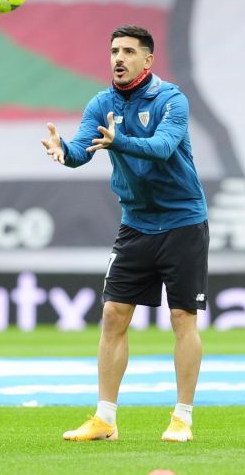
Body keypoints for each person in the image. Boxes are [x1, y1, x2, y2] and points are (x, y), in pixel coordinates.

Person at [41, 25, 209, 443]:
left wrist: (120, 141)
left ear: (147, 60)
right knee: (114, 316)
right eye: (114, 50)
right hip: (136, 223)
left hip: (182, 221)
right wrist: (65, 152)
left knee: (182, 317)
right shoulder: (102, 103)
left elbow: (164, 147)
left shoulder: (171, 99)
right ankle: (105, 420)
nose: (118, 58)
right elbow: (84, 148)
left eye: (129, 51)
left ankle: (182, 418)